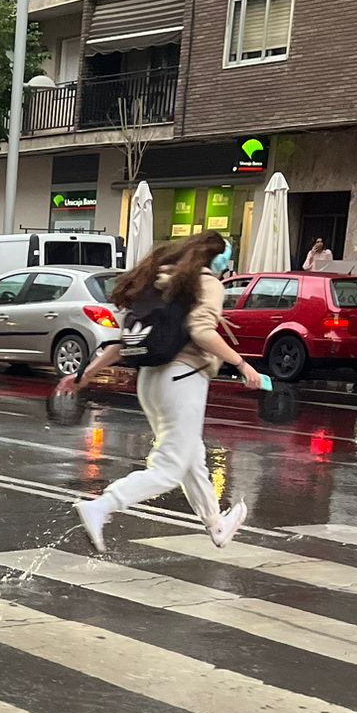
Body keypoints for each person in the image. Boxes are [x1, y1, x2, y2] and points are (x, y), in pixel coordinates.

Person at [56, 231, 262, 555]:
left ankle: (216, 523)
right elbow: (201, 330)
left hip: (150, 382)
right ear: (218, 259)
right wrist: (242, 364)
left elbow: (122, 342)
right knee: (169, 468)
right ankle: (103, 505)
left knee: (191, 458)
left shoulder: (157, 283)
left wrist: (85, 375)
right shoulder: (205, 283)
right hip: (184, 378)